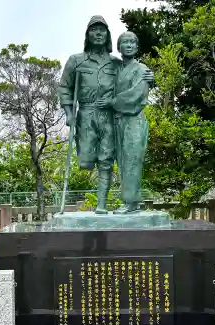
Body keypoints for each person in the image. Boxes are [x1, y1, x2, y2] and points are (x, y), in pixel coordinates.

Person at [58, 16, 153, 214]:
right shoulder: (76, 60)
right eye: (94, 30)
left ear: (108, 35)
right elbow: (65, 88)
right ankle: (110, 195)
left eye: (102, 30)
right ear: (88, 34)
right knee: (85, 162)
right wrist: (69, 113)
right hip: (86, 114)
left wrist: (150, 78)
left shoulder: (115, 63)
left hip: (109, 116)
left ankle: (101, 205)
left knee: (107, 159)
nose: (99, 33)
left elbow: (132, 75)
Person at [95, 31, 150, 214]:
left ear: (137, 47)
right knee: (123, 161)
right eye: (124, 42)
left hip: (134, 120)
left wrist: (112, 102)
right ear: (119, 47)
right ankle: (133, 200)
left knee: (132, 160)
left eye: (132, 42)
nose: (128, 45)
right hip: (118, 121)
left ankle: (130, 203)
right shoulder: (116, 68)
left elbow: (137, 95)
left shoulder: (142, 69)